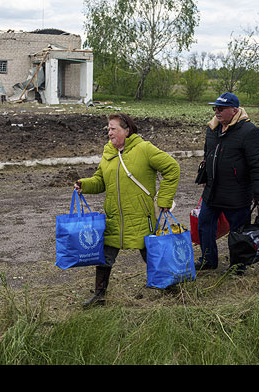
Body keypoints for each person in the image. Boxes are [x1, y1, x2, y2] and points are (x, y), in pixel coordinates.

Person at [74, 113, 180, 307]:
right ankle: (100, 295)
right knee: (105, 256)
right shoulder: (108, 153)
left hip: (141, 216)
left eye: (113, 128)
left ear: (127, 130)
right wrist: (85, 185)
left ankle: (171, 288)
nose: (109, 132)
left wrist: (164, 199)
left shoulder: (144, 149)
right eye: (108, 128)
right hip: (114, 217)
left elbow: (172, 168)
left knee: (151, 254)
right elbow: (100, 181)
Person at [195, 92, 259, 275]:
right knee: (204, 224)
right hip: (212, 191)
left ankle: (238, 266)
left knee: (238, 232)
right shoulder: (212, 129)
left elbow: (258, 164)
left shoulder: (249, 131)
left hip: (237, 193)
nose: (217, 112)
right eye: (215, 108)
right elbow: (208, 157)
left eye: (221, 108)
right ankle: (208, 260)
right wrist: (204, 178)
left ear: (234, 110)